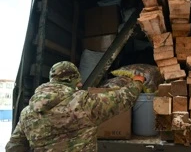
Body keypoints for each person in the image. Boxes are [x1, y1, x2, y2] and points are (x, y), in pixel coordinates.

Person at [6, 61, 145, 152]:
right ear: (74, 81)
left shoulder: (27, 112)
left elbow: (15, 146)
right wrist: (137, 82)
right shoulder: (83, 103)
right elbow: (122, 99)